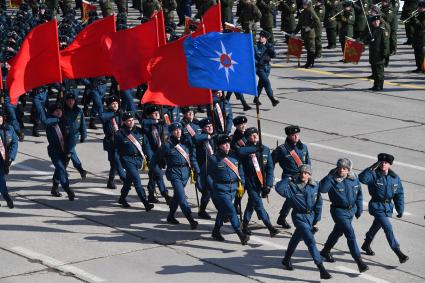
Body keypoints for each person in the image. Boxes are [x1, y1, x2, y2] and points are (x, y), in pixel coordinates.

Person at [276, 165, 331, 280]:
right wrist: (289, 178)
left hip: (310, 216)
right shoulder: (292, 186)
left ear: (309, 175)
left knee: (296, 237)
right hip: (298, 216)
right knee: (310, 240)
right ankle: (321, 268)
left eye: (306, 173)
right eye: (301, 172)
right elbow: (279, 188)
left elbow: (319, 202)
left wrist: (316, 218)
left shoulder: (314, 186)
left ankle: (286, 259)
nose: (303, 175)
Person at [319, 158, 369, 273]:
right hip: (339, 212)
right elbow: (322, 189)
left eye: (344, 168)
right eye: (340, 167)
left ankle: (325, 251)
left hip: (351, 211)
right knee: (350, 234)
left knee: (338, 232)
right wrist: (329, 176)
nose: (342, 170)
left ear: (348, 169)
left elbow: (359, 194)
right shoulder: (332, 179)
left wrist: (359, 209)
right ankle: (359, 262)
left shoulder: (354, 178)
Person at [359, 153, 409, 264]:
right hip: (376, 206)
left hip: (387, 207)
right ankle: (398, 252)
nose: (383, 164)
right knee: (388, 227)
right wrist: (372, 167)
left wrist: (400, 209)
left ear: (390, 164)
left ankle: (366, 244)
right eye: (381, 162)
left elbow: (399, 194)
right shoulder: (373, 175)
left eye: (386, 163)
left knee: (376, 226)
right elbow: (362, 178)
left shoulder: (394, 178)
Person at [152, 122, 200, 229]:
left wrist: (196, 170)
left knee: (177, 196)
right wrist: (155, 172)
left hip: (185, 173)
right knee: (182, 198)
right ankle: (191, 220)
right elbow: (154, 159)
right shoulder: (167, 145)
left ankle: (170, 216)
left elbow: (193, 155)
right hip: (174, 173)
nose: (178, 132)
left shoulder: (185, 143)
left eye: (179, 130)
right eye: (175, 130)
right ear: (171, 132)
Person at [208, 134, 250, 245]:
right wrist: (212, 187)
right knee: (231, 211)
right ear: (219, 146)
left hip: (233, 188)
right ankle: (240, 234)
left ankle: (216, 231)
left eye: (228, 143)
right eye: (224, 144)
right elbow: (207, 175)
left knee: (222, 210)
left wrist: (242, 184)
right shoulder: (213, 159)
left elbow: (240, 170)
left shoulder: (234, 156)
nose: (227, 145)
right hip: (221, 189)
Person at [238, 127, 278, 237]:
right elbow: (240, 153)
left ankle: (245, 225)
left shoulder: (265, 149)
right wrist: (255, 149)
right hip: (250, 182)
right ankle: (270, 227)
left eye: (256, 134)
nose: (255, 136)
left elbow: (269, 169)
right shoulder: (245, 150)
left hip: (261, 182)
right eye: (251, 135)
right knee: (258, 204)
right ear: (247, 138)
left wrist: (268, 186)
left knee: (251, 204)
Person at [273, 125, 311, 229]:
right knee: (292, 198)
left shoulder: (303, 147)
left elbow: (308, 163)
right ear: (288, 136)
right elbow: (271, 164)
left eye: (297, 134)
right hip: (289, 177)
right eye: (293, 135)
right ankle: (290, 219)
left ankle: (282, 217)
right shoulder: (282, 149)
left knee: (294, 199)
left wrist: (308, 175)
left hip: (302, 177)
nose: (296, 137)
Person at [115, 111, 154, 212]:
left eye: (132, 120)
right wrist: (119, 165)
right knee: (137, 181)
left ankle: (122, 198)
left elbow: (146, 146)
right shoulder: (120, 134)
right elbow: (115, 151)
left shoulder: (139, 131)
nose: (131, 122)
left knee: (129, 180)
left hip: (138, 159)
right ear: (124, 122)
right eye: (128, 121)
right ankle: (145, 202)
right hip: (127, 159)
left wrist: (150, 159)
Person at [101, 95, 126, 189]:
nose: (115, 105)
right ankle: (124, 178)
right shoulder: (107, 113)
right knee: (116, 160)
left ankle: (110, 181)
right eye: (113, 104)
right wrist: (115, 114)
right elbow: (102, 117)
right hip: (111, 141)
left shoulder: (120, 113)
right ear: (108, 106)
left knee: (114, 163)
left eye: (116, 103)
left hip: (119, 140)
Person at [254, 30, 280, 106]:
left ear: (266, 39)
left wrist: (270, 48)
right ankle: (272, 99)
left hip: (267, 68)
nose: (260, 38)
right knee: (267, 82)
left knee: (261, 84)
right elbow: (254, 57)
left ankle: (256, 98)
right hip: (259, 68)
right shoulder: (256, 46)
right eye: (260, 36)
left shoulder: (269, 45)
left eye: (262, 37)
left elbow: (274, 55)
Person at [293, 0, 321, 68]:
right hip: (304, 33)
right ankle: (308, 63)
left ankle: (310, 63)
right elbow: (299, 24)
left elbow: (317, 21)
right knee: (308, 48)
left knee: (311, 49)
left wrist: (310, 27)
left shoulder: (311, 11)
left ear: (308, 4)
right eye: (303, 4)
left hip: (310, 33)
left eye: (305, 4)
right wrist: (294, 32)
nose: (303, 5)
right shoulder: (304, 11)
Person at [0, 108, 18, 209]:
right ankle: (7, 197)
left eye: (0, 117)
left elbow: (14, 143)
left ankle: (6, 197)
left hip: (4, 160)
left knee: (1, 181)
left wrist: (11, 158)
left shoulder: (9, 129)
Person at [367, 14, 389, 91]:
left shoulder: (382, 30)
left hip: (380, 55)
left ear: (379, 21)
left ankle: (380, 86)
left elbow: (385, 44)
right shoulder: (371, 30)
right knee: (375, 72)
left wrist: (384, 54)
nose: (376, 22)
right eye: (374, 21)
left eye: (377, 21)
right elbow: (367, 40)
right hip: (373, 54)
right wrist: (368, 39)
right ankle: (375, 85)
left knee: (379, 72)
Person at [411, 1, 425, 73]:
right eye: (418, 7)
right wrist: (411, 19)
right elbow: (414, 25)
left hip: (422, 36)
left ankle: (422, 67)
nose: (418, 8)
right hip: (416, 35)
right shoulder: (418, 14)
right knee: (416, 51)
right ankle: (418, 67)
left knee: (421, 52)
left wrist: (415, 19)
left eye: (420, 7)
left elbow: (422, 26)